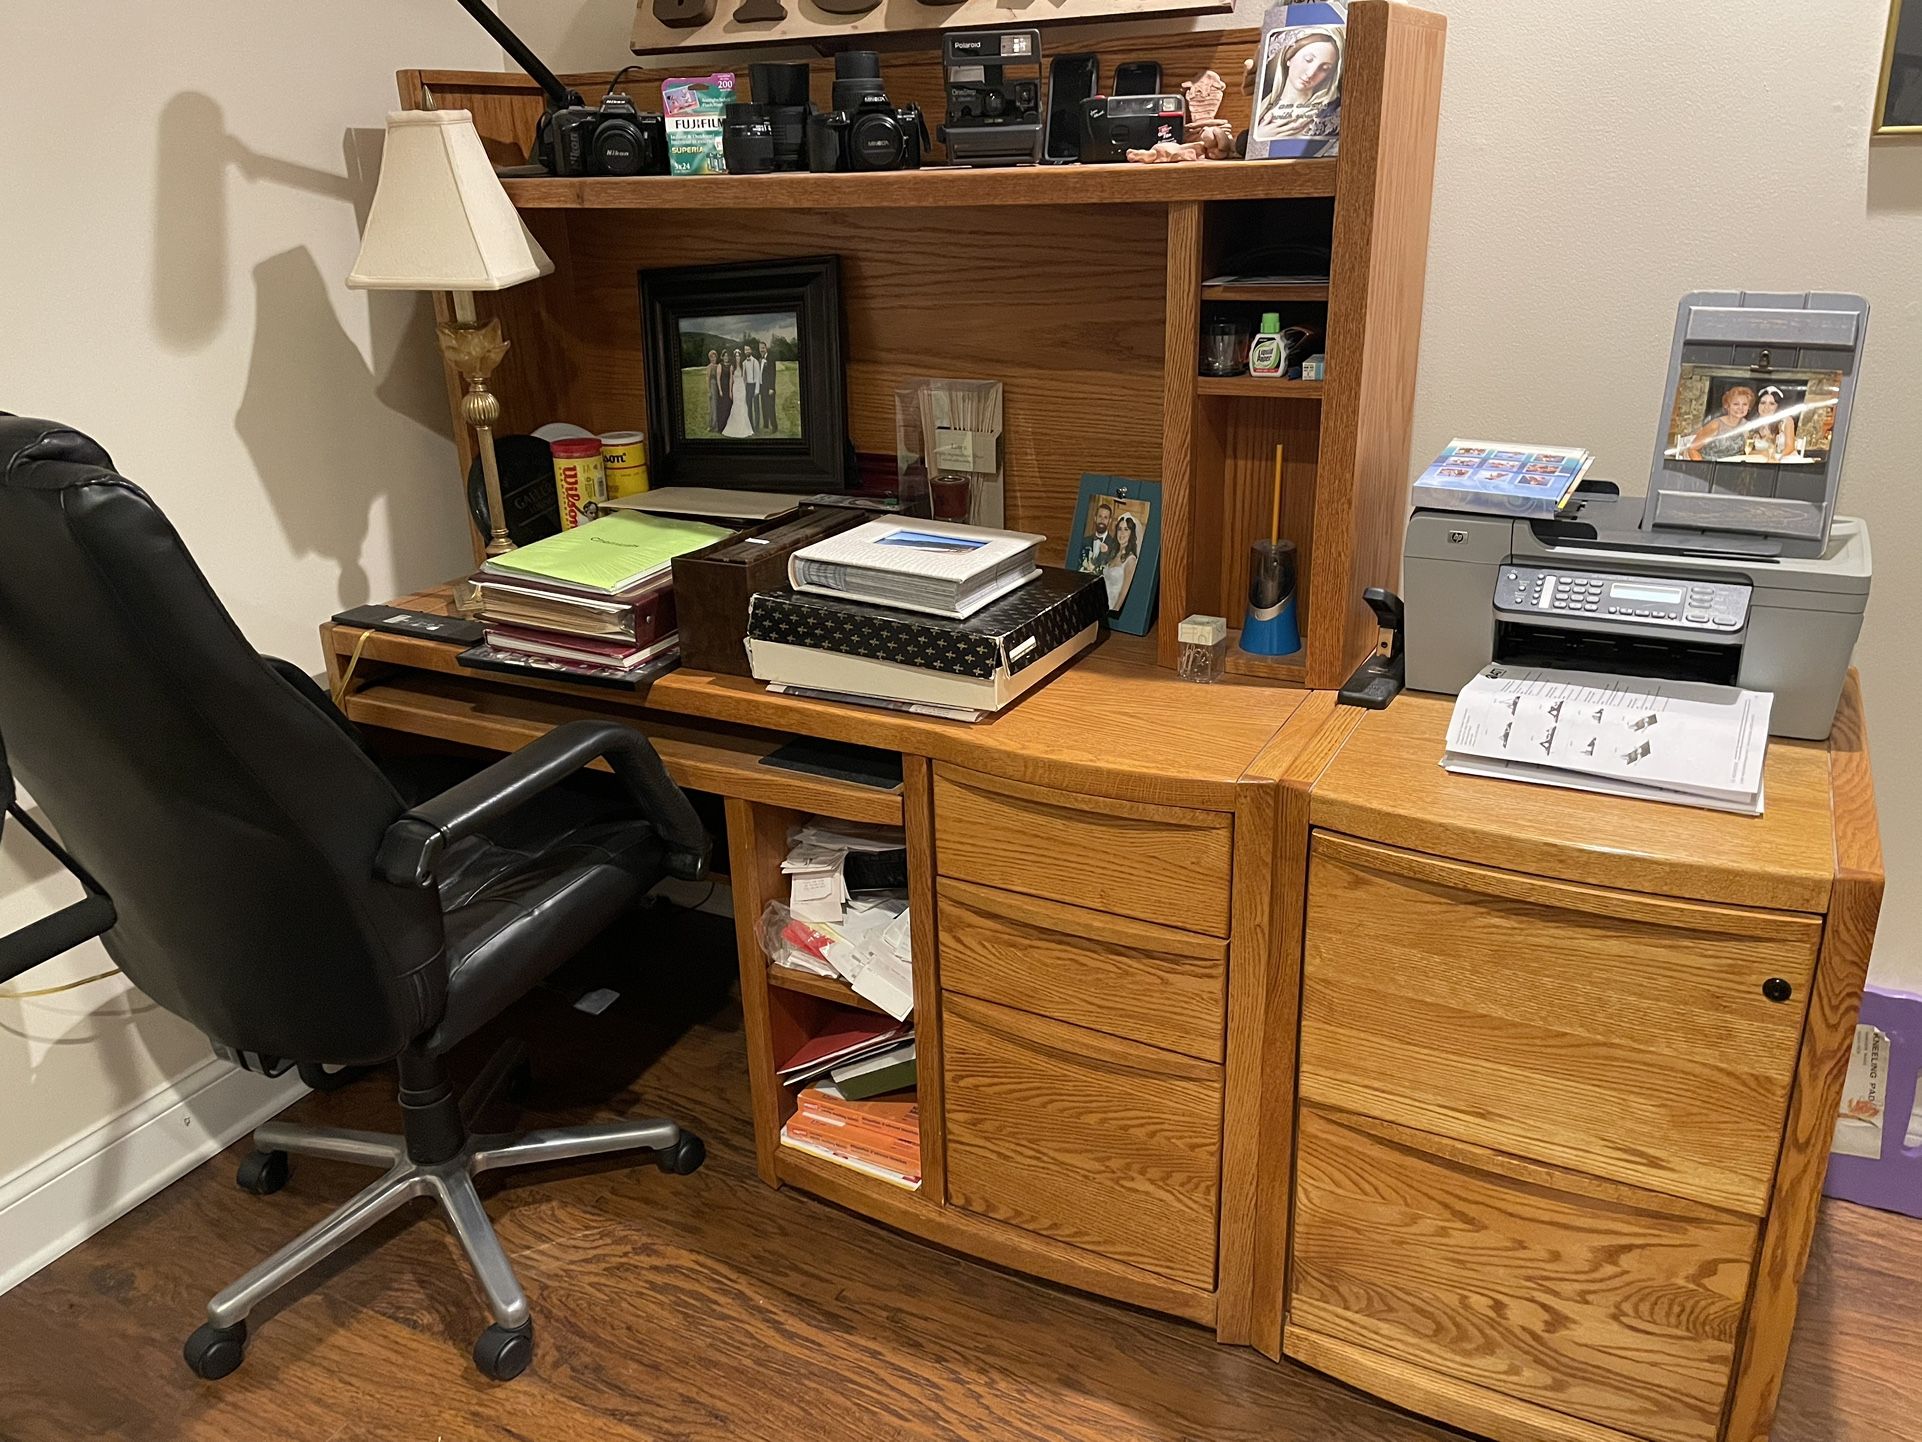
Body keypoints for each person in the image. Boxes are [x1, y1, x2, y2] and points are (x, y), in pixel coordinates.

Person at [1256, 28, 1342, 140]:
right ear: (1289, 57)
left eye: (1324, 68)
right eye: (1308, 59)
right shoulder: (1265, 103)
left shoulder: (1328, 114)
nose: (1311, 73)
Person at [1684, 384, 1754, 461]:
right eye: (1736, 404)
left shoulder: (1748, 426)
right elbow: (1692, 449)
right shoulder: (1716, 425)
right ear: (1727, 406)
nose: (1740, 408)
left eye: (1744, 404)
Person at [1749, 385, 1798, 461]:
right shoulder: (1753, 424)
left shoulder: (1786, 420)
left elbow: (1790, 447)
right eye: (1763, 403)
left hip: (1785, 462)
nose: (1766, 407)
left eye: (1772, 404)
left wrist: (1775, 459)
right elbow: (1749, 451)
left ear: (1778, 407)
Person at [1104, 513, 1141, 614]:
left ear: (1131, 533)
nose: (1122, 533)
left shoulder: (1131, 560)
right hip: (1102, 604)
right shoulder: (1113, 554)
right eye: (1119, 529)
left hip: (1113, 606)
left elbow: (1124, 592)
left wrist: (1114, 612)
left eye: (1126, 529)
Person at [722, 346, 755, 438]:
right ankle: (734, 427)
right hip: (735, 387)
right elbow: (730, 380)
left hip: (742, 388)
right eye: (736, 356)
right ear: (734, 357)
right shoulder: (732, 367)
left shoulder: (743, 365)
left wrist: (744, 389)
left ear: (741, 357)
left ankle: (744, 427)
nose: (737, 357)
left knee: (743, 406)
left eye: (739, 356)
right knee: (736, 406)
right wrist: (730, 391)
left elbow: (744, 379)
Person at [1078, 500, 1115, 573]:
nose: (1102, 520)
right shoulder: (1084, 541)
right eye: (1100, 516)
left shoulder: (1114, 545)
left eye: (1105, 517)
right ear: (1095, 518)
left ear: (1109, 521)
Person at [741, 342, 763, 435]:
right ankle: (751, 427)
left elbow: (758, 377)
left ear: (751, 350)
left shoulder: (755, 362)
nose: (747, 351)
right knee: (749, 407)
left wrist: (757, 390)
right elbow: (743, 378)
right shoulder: (744, 363)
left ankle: (757, 428)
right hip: (748, 386)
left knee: (756, 408)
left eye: (748, 349)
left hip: (755, 385)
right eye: (745, 350)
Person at [758, 339, 779, 432]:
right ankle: (766, 424)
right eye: (760, 348)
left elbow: (773, 374)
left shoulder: (771, 359)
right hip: (762, 387)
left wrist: (772, 388)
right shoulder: (760, 359)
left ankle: (774, 427)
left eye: (763, 348)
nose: (761, 350)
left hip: (769, 388)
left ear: (766, 348)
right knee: (764, 406)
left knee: (770, 407)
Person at [705, 349, 724, 434]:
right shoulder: (709, 367)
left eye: (714, 357)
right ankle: (712, 425)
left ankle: (717, 424)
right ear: (709, 358)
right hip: (712, 386)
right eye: (711, 357)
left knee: (717, 405)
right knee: (713, 407)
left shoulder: (718, 366)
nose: (713, 358)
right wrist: (709, 391)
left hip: (718, 386)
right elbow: (708, 379)